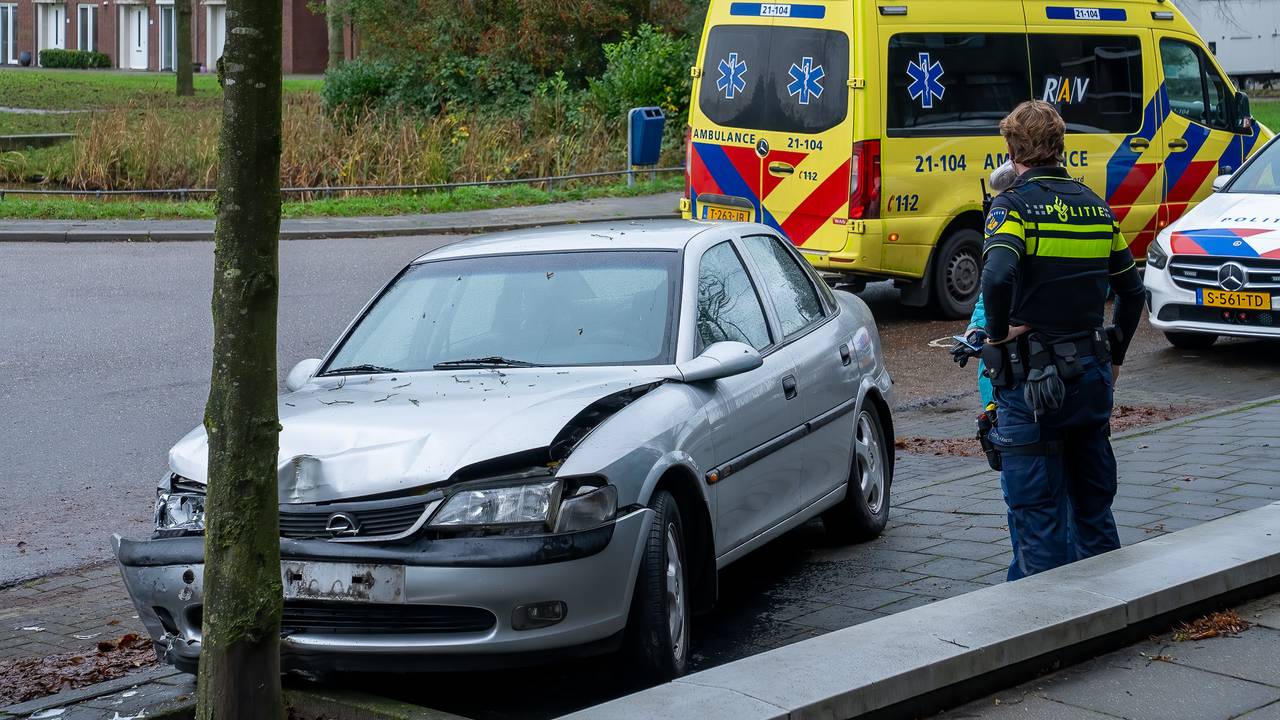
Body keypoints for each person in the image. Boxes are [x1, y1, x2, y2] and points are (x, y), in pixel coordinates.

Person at [979, 100, 1144, 581]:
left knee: (1039, 520)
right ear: (1061, 146)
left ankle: (1046, 638)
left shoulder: (1011, 207)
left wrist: (997, 333)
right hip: (1090, 379)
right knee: (1093, 511)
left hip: (1033, 387)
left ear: (1012, 150)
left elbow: (996, 277)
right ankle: (1111, 621)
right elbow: (1132, 292)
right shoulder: (1096, 207)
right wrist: (1115, 355)